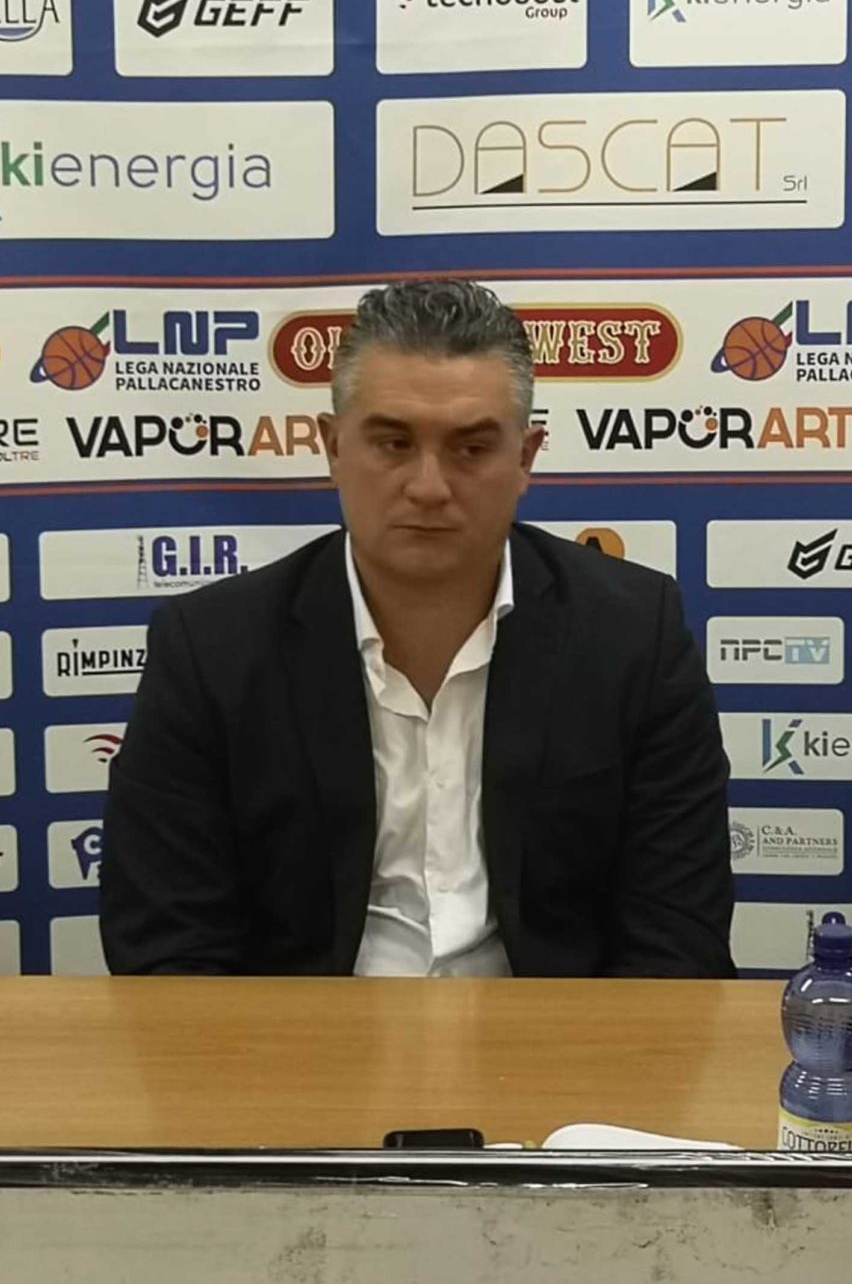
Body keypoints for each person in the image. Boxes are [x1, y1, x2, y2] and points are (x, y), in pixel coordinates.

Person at [101, 279, 734, 977]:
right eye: (393, 443)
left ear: (526, 459)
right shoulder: (210, 649)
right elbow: (169, 950)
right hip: (298, 1038)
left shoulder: (634, 637)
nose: (429, 486)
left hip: (552, 1035)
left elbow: (677, 942)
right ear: (332, 447)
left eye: (471, 448)